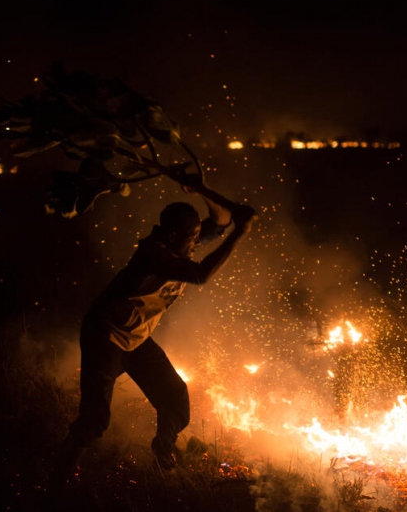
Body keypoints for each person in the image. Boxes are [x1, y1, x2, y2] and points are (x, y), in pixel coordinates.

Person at [50, 175, 255, 487]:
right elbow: (200, 275)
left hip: (136, 339)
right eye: (192, 238)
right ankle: (55, 484)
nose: (196, 243)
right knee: (94, 422)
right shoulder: (155, 254)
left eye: (198, 237)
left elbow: (221, 220)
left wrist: (201, 189)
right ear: (172, 235)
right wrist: (239, 234)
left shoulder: (179, 243)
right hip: (106, 337)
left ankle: (162, 449)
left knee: (175, 399)